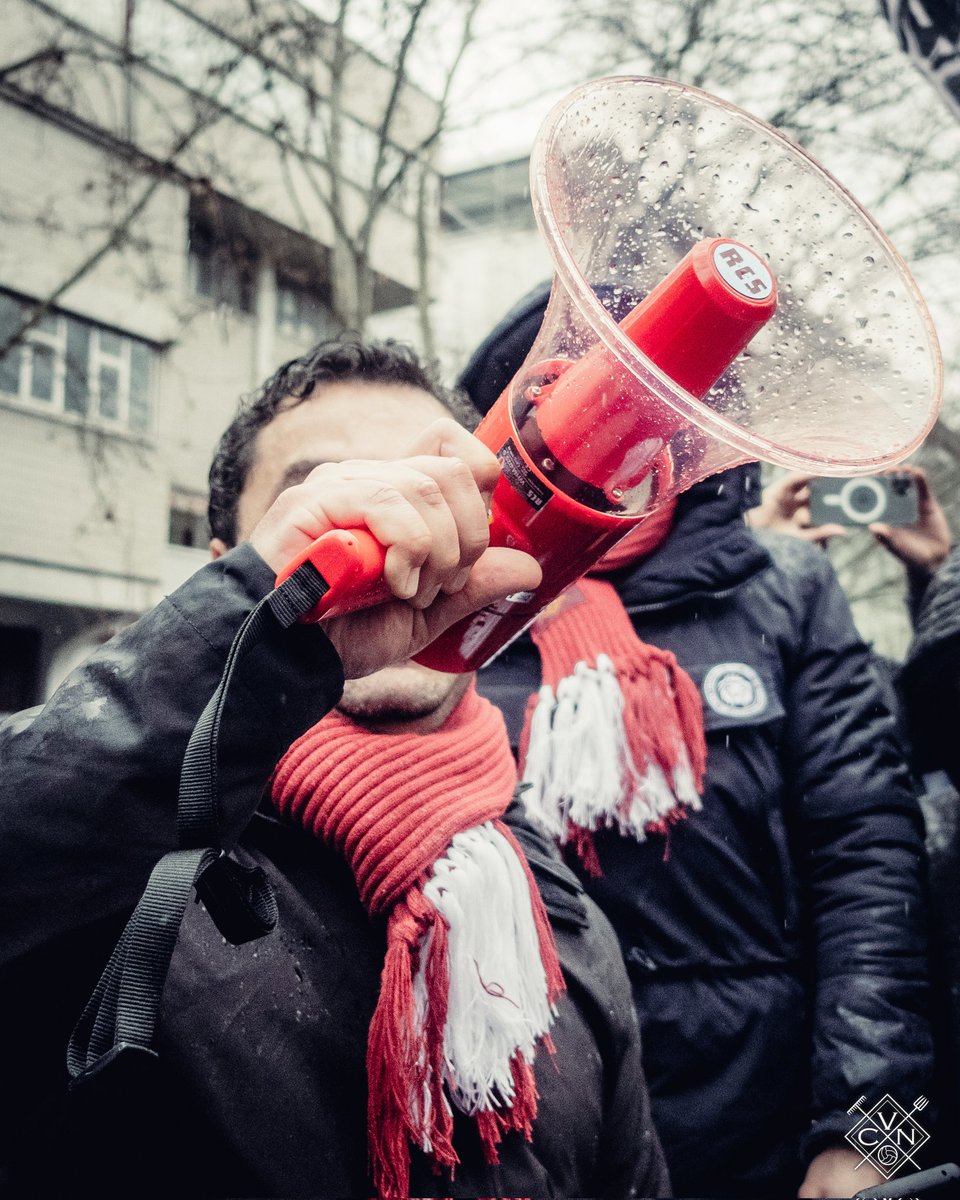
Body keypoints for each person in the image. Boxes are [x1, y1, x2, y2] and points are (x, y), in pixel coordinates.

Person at [0, 338, 668, 1200]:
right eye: (329, 498)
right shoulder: (106, 864)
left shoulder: (557, 915)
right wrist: (255, 632)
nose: (401, 533)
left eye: (440, 496)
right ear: (224, 568)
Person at [460, 285, 935, 1199]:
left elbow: (872, 860)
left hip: (763, 1140)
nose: (618, 425)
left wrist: (877, 1139)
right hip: (524, 1137)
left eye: (657, 397)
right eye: (584, 393)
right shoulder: (461, 603)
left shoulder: (785, 586)